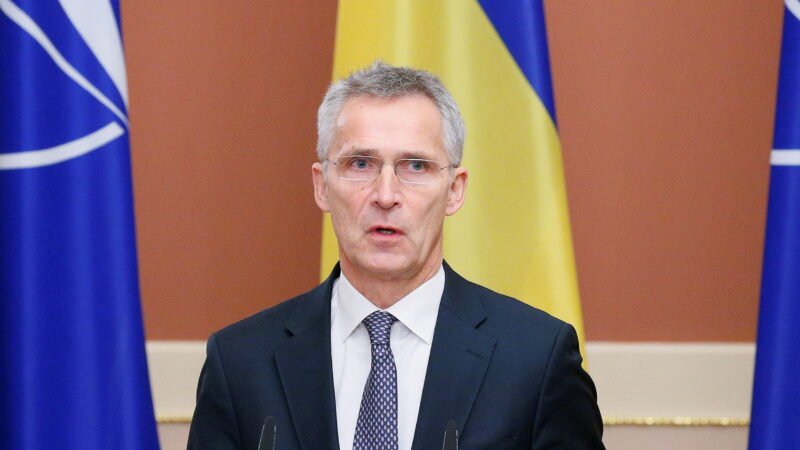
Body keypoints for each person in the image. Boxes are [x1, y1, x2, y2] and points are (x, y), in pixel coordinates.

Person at [188, 62, 604, 450]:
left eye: (415, 166)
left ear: (455, 190)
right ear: (322, 185)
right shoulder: (241, 363)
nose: (386, 196)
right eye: (361, 163)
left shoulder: (535, 359)